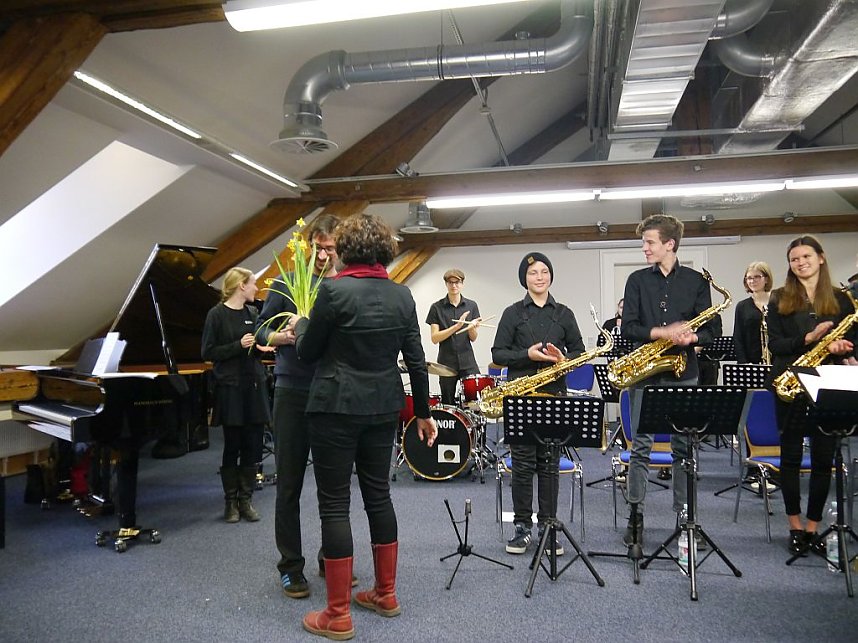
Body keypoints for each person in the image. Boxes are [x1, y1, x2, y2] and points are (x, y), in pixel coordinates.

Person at [292, 213, 437, 641]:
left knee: (335, 504)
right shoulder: (402, 296)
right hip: (382, 409)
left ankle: (337, 615)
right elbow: (416, 361)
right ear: (384, 252)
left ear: (346, 249)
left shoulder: (333, 292)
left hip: (334, 408)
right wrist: (423, 414)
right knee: (379, 496)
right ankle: (385, 594)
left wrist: (301, 326)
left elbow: (308, 351)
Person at [619, 214, 722, 548]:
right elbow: (629, 328)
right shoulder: (636, 280)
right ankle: (636, 517)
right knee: (640, 449)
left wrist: (691, 338)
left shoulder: (695, 282)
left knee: (684, 449)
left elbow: (712, 330)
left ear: (669, 244)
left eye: (649, 242)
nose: (644, 248)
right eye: (644, 242)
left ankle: (685, 515)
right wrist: (662, 332)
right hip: (645, 373)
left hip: (683, 372)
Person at [256, 213, 341, 599]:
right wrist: (284, 336)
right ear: (306, 245)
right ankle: (291, 566)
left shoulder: (342, 287)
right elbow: (259, 330)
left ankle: (331, 558)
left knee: (332, 486)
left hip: (329, 391)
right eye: (318, 247)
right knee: (288, 483)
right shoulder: (284, 283)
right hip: (291, 391)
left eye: (331, 248)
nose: (324, 256)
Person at [766, 235, 857, 556]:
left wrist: (842, 347)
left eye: (806, 255)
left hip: (829, 382)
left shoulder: (842, 300)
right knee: (789, 458)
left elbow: (853, 341)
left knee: (823, 459)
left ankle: (813, 527)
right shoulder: (778, 299)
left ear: (820, 258)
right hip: (788, 382)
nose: (800, 262)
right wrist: (810, 337)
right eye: (794, 258)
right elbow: (775, 345)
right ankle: (794, 526)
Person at [491, 251, 584, 555]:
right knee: (522, 464)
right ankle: (522, 527)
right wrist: (526, 356)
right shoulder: (512, 313)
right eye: (533, 273)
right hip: (520, 396)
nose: (539, 277)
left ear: (551, 276)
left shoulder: (565, 313)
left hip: (554, 395)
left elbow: (579, 352)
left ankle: (548, 525)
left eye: (544, 271)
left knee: (549, 464)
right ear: (525, 279)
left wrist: (564, 359)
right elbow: (498, 354)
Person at [201, 267, 272, 524]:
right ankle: (230, 503)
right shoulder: (216, 315)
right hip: (230, 388)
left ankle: (246, 500)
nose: (256, 288)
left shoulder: (253, 313)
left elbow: (253, 349)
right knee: (232, 445)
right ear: (241, 285)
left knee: (253, 445)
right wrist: (237, 346)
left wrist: (262, 348)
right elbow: (208, 351)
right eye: (253, 283)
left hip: (253, 385)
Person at [425, 269, 482, 405]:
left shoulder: (471, 305)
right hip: (446, 362)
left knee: (474, 402)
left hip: (467, 361)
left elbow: (473, 338)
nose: (454, 285)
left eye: (457, 282)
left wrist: (472, 328)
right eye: (450, 282)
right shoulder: (436, 307)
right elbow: (435, 338)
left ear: (462, 283)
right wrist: (456, 327)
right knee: (448, 403)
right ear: (446, 284)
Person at [733, 261, 774, 364]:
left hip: (777, 360)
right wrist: (743, 363)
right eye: (749, 278)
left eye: (757, 277)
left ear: (766, 279)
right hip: (752, 362)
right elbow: (738, 337)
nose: (752, 281)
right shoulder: (742, 306)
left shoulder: (778, 302)